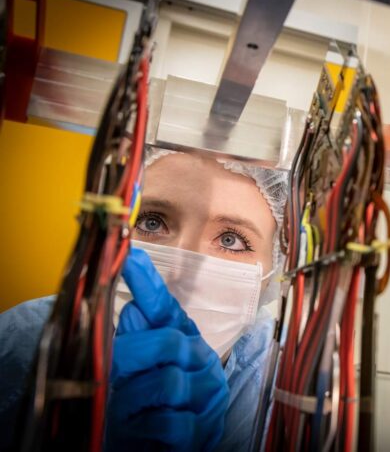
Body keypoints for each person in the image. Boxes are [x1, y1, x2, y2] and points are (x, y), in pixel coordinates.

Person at [0, 147, 287, 451]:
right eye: (151, 222)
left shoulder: (285, 386)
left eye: (231, 240)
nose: (180, 270)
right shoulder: (24, 341)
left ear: (274, 269)